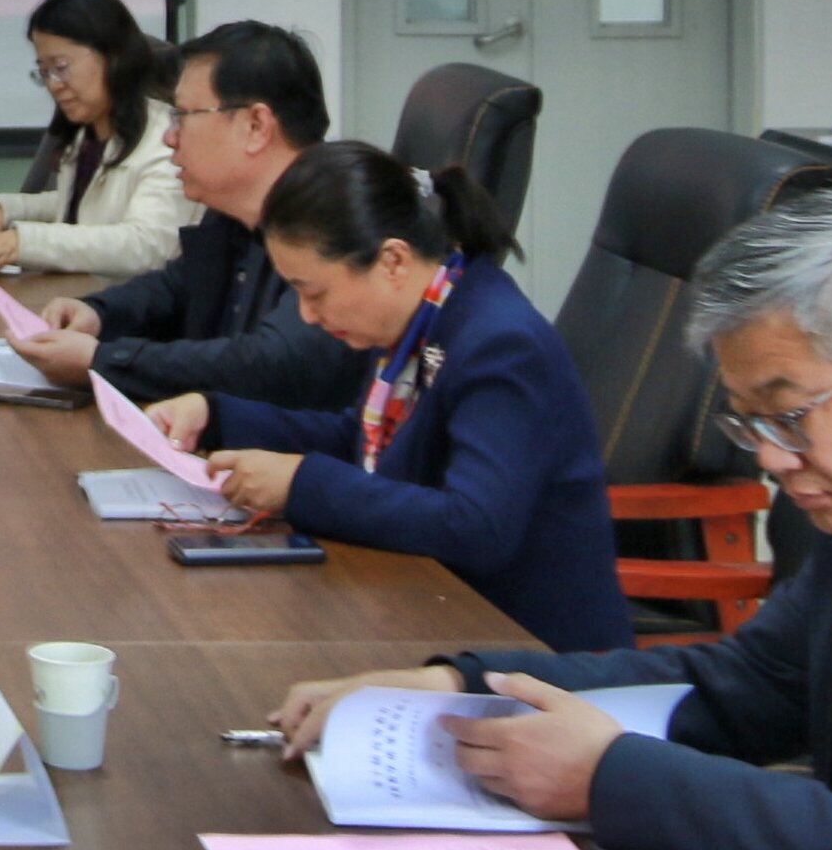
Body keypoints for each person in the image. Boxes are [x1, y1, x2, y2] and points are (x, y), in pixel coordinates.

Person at [272, 185, 832, 848]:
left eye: (790, 414)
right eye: (749, 424)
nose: (772, 458)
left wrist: (611, 782)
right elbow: (747, 686)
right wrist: (462, 689)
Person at [146, 141, 628, 653]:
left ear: (393, 260)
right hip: (427, 604)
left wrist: (301, 485)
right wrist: (217, 415)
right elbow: (364, 438)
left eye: (315, 292)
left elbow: (477, 527)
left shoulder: (500, 344)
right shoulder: (427, 311)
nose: (307, 315)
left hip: (526, 648)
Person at [3, 21, 374, 410]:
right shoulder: (233, 209)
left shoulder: (339, 218)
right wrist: (99, 314)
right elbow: (179, 287)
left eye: (182, 116)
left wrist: (102, 360)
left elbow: (272, 364)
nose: (169, 138)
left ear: (255, 126)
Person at [0, 0, 192, 279]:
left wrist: (25, 242)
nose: (53, 84)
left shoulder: (166, 139)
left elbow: (147, 244)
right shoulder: (89, 132)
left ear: (113, 55)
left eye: (60, 67)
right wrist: (2, 210)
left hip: (127, 304)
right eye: (44, 71)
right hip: (80, 295)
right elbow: (77, 206)